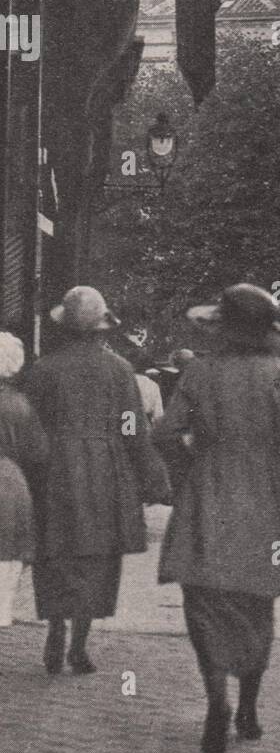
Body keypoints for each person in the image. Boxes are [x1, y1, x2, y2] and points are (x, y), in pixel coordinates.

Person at [151, 284, 280, 753]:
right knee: (256, 607)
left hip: (206, 498)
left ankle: (216, 698)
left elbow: (164, 432)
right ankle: (248, 709)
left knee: (204, 602)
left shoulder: (198, 372)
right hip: (264, 504)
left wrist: (192, 464)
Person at [26, 287, 170, 675]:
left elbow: (33, 426)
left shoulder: (44, 369)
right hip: (105, 472)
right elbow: (131, 428)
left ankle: (55, 629)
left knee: (55, 551)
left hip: (54, 470)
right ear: (102, 329)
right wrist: (151, 476)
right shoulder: (120, 370)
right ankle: (80, 645)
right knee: (96, 557)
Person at [0, 333, 47, 627]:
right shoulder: (21, 404)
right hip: (10, 479)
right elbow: (38, 452)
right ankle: (2, 610)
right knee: (8, 549)